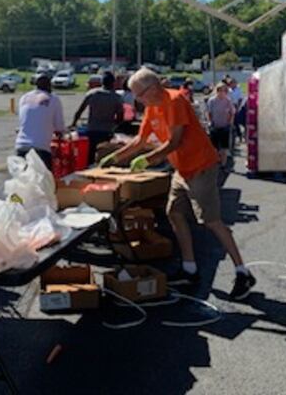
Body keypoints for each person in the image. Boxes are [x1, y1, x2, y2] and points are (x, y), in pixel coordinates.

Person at [99, 68, 256, 300]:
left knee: (211, 221)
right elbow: (140, 141)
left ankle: (242, 272)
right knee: (174, 213)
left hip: (201, 167)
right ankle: (189, 268)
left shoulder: (174, 101)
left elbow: (174, 141)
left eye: (138, 95)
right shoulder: (152, 107)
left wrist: (147, 160)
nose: (136, 100)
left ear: (151, 89)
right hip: (182, 170)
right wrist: (115, 157)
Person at [71, 71, 124, 165]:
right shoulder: (116, 98)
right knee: (103, 155)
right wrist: (115, 126)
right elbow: (120, 117)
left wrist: (74, 123)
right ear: (113, 83)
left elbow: (79, 111)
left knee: (90, 155)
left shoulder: (92, 94)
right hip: (106, 131)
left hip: (92, 129)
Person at [15, 74, 66, 170]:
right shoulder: (53, 99)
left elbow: (24, 120)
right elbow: (59, 126)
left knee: (23, 180)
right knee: (43, 182)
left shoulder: (24, 98)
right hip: (40, 147)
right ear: (49, 86)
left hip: (21, 145)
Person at [207, 83, 234, 166]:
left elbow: (231, 113)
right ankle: (215, 162)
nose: (222, 92)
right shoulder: (212, 101)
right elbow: (209, 113)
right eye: (220, 90)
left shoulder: (228, 101)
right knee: (214, 147)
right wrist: (211, 122)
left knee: (224, 148)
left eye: (224, 91)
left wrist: (230, 123)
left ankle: (223, 164)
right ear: (217, 91)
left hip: (225, 126)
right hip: (215, 126)